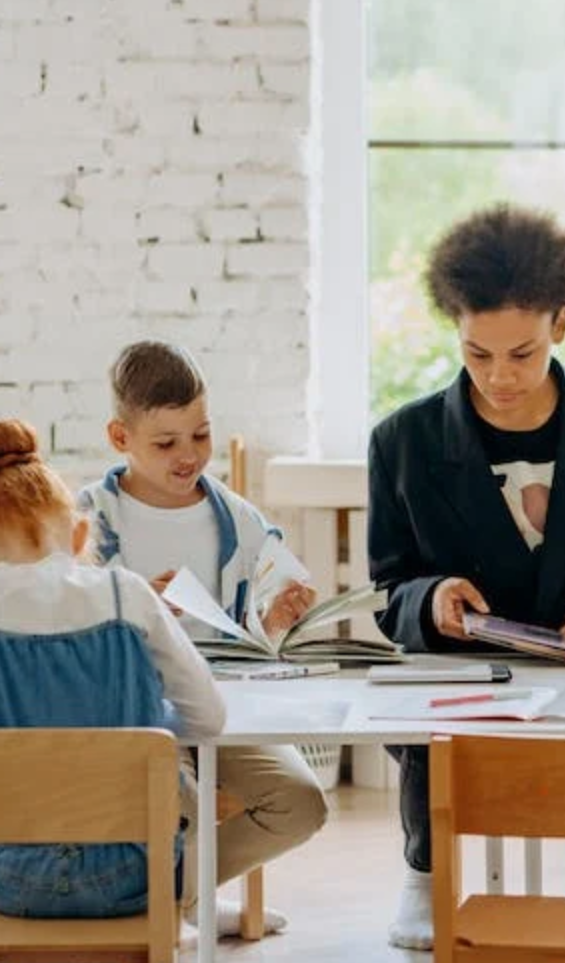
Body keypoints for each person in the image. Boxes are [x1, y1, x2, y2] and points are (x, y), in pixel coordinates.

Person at [368, 204, 565, 949]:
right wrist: (434, 598)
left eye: (521, 353)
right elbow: (391, 591)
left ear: (563, 323)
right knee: (425, 727)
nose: (499, 378)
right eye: (477, 354)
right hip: (468, 682)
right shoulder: (404, 440)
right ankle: (425, 871)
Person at [0, 419, 223, 925]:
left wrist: (3, 722)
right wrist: (141, 720)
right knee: (183, 779)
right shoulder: (130, 592)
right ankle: (193, 912)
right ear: (80, 534)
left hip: (13, 882)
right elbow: (208, 718)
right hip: (136, 876)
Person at [77, 341, 327, 935]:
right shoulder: (88, 520)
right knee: (178, 800)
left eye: (201, 435)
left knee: (301, 802)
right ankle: (174, 906)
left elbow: (248, 637)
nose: (189, 456)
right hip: (127, 713)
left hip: (219, 705)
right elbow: (61, 623)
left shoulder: (236, 519)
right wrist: (132, 599)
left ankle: (173, 899)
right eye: (165, 443)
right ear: (121, 438)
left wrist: (275, 621)